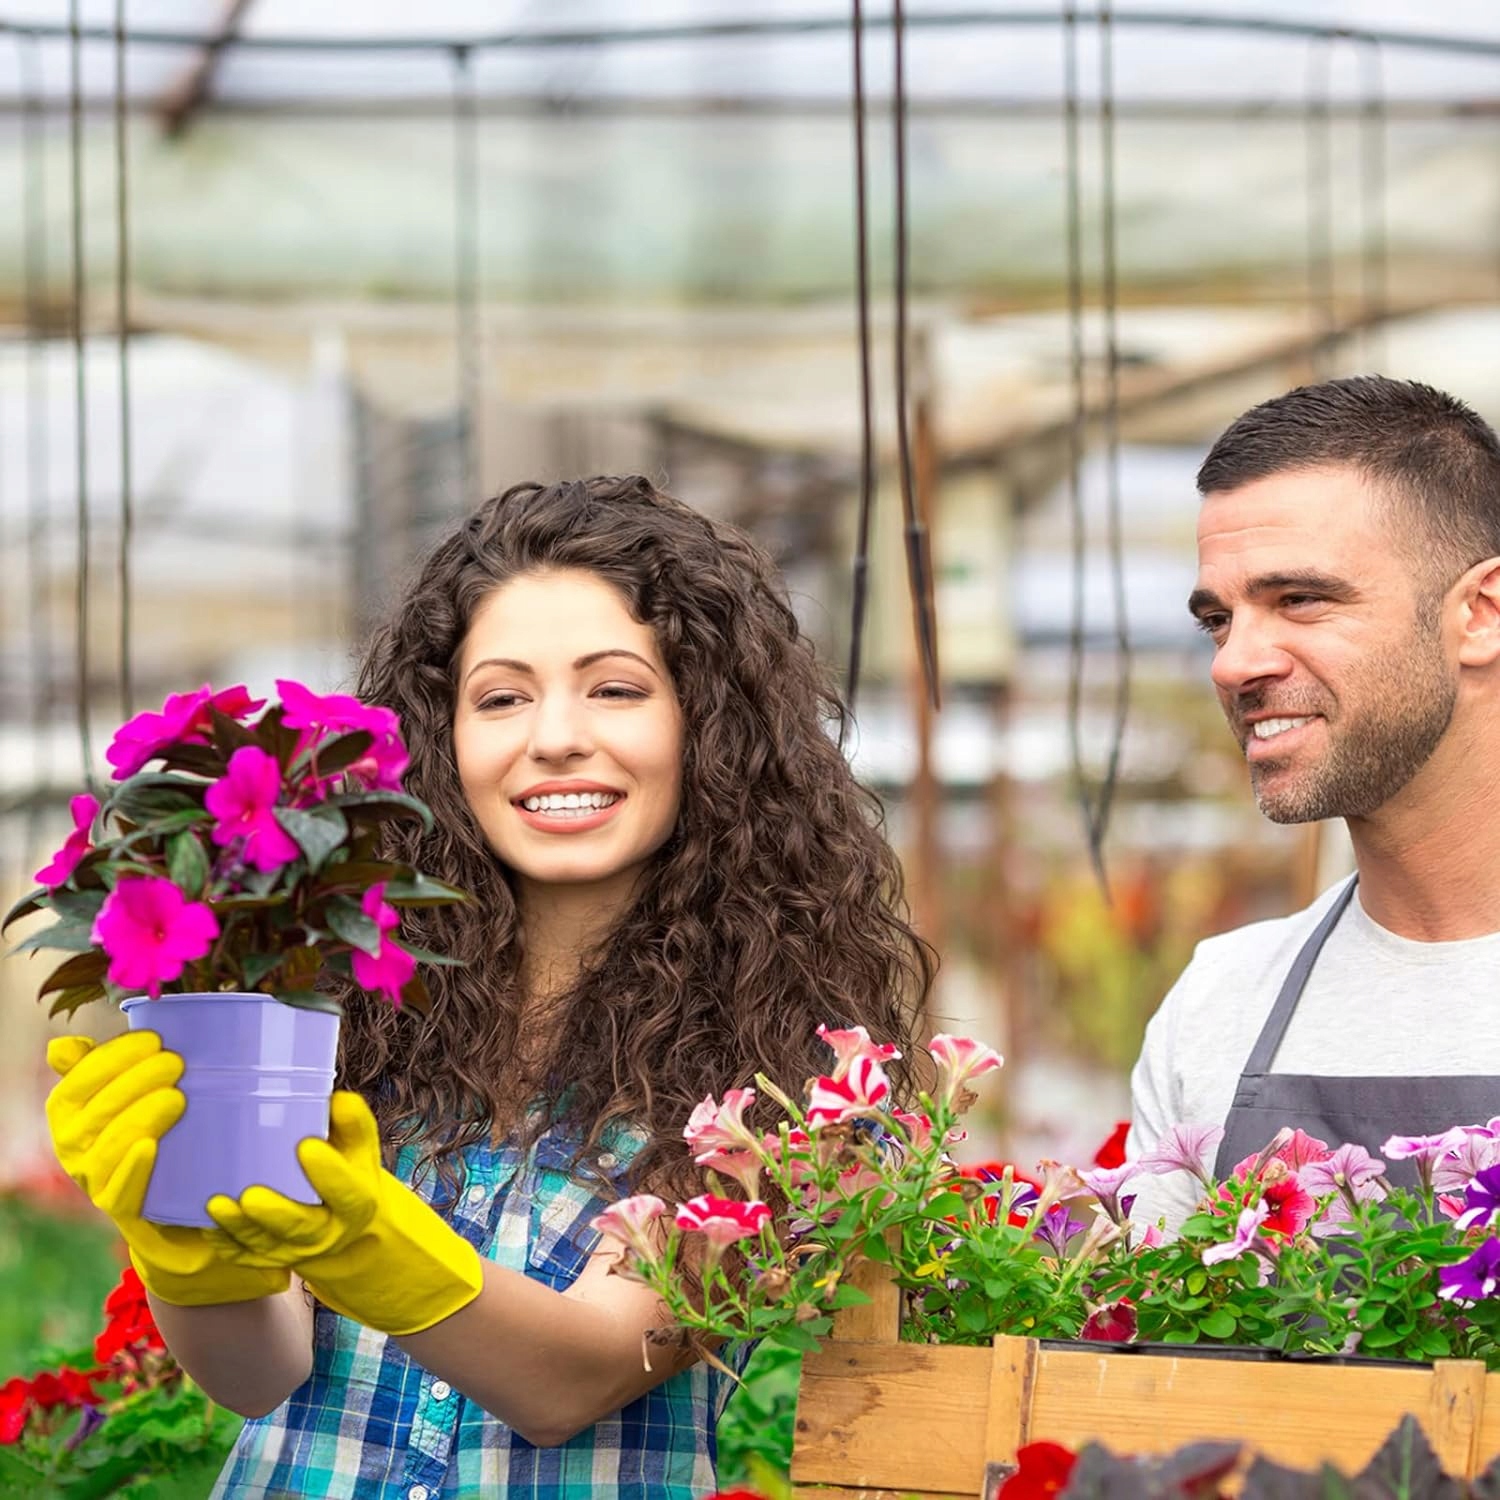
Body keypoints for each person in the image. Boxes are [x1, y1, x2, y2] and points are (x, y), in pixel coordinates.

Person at [43, 475, 932, 1497]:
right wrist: (190, 1248)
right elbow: (261, 1374)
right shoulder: (338, 992)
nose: (552, 737)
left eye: (615, 688)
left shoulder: (799, 1076)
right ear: (442, 739)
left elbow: (587, 1372)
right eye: (501, 697)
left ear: (709, 727)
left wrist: (367, 1237)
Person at [1127, 376, 1500, 1233]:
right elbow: (1148, 1359)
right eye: (1218, 620)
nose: (1232, 664)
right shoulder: (1219, 1003)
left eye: (1300, 599)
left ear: (1480, 614)